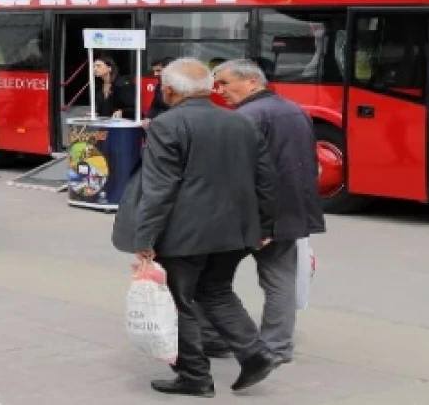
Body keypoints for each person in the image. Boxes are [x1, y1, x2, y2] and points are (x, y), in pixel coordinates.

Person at [132, 58, 281, 397]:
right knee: (216, 291)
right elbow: (267, 180)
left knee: (179, 301)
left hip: (186, 233)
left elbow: (159, 188)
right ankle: (255, 354)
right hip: (236, 230)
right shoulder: (241, 122)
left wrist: (145, 239)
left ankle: (194, 376)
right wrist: (264, 224)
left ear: (168, 90)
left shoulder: (166, 125)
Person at [209, 59, 326, 364]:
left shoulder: (248, 116)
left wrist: (260, 223)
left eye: (223, 82)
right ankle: (277, 347)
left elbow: (237, 173)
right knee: (279, 281)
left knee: (209, 281)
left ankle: (221, 339)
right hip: (290, 212)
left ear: (251, 81)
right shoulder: (293, 109)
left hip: (254, 217)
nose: (218, 90)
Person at [144, 56, 174, 123]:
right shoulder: (159, 85)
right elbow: (155, 104)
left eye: (158, 71)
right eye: (154, 71)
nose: (155, 74)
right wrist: (149, 117)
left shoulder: (181, 87)